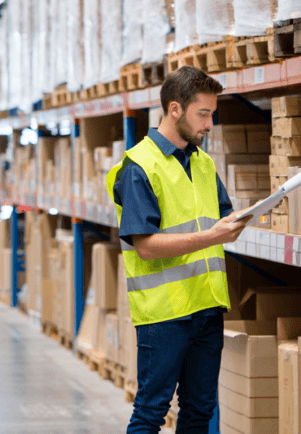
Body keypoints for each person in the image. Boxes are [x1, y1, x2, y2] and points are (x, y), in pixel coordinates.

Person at [106, 66, 249, 433]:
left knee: (200, 410)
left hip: (206, 305)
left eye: (212, 114)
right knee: (152, 411)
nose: (210, 124)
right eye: (203, 114)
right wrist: (213, 236)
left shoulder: (202, 162)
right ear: (174, 109)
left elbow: (221, 217)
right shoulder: (139, 167)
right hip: (164, 314)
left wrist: (244, 218)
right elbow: (147, 247)